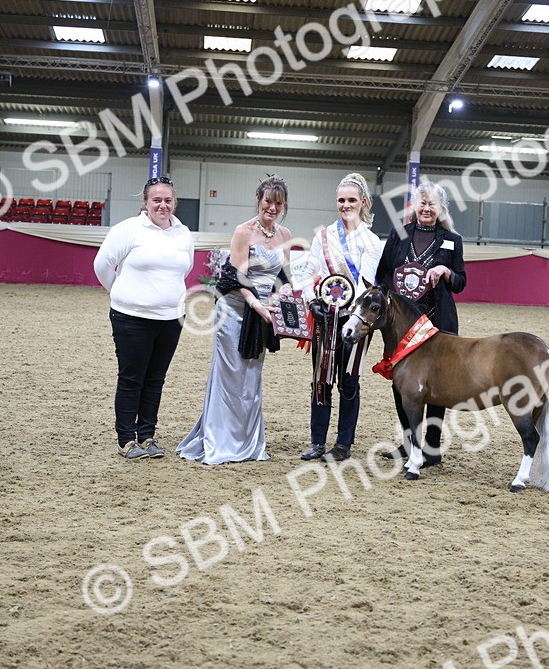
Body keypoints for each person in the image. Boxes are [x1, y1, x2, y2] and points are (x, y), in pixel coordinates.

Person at [178, 176, 292, 465]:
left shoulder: (285, 235)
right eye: (268, 201)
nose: (272, 208)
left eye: (278, 203)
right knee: (231, 376)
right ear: (258, 200)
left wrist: (282, 299)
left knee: (252, 376)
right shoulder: (243, 232)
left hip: (264, 312)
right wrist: (256, 303)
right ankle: (222, 440)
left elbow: (283, 278)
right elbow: (233, 277)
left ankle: (249, 442)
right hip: (236, 311)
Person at [94, 175, 194, 460]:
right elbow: (103, 265)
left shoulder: (183, 233)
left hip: (171, 318)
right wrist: (121, 292)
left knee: (155, 379)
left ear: (175, 202)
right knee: (131, 378)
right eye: (156, 200)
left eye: (167, 200)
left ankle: (147, 435)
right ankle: (126, 438)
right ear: (146, 202)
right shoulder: (128, 229)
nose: (162, 205)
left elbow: (183, 269)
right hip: (132, 318)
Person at [375, 180, 467, 467]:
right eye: (422, 203)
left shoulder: (452, 239)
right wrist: (398, 297)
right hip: (402, 326)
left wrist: (446, 271)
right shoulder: (398, 235)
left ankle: (432, 447)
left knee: (439, 384)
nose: (427, 209)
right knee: (402, 382)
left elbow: (461, 282)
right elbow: (383, 275)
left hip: (438, 322)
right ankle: (409, 443)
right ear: (414, 206)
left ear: (440, 209)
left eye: (432, 204)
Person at [299, 172, 383, 462]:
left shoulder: (372, 241)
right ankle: (316, 441)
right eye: (340, 200)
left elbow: (367, 283)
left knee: (349, 381)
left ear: (362, 202)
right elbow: (309, 272)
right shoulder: (323, 236)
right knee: (321, 379)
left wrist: (350, 315)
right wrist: (313, 302)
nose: (345, 205)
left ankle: (343, 445)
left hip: (355, 322)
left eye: (351, 200)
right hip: (325, 318)